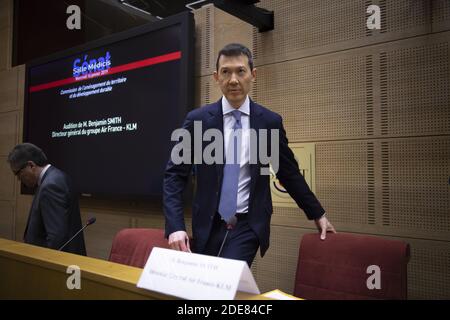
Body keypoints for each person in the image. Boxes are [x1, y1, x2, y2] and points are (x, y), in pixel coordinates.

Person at [163, 43, 335, 266]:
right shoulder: (198, 121)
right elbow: (174, 175)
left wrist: (317, 213)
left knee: (226, 279)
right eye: (226, 72)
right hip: (207, 223)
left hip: (248, 225)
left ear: (252, 75)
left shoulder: (269, 123)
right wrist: (175, 227)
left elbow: (288, 173)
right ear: (216, 77)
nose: (233, 79)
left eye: (240, 71)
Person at [7, 143, 86, 255]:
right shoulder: (53, 178)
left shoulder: (51, 185)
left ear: (31, 165)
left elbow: (57, 237)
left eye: (18, 173)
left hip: (55, 263)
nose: (19, 179)